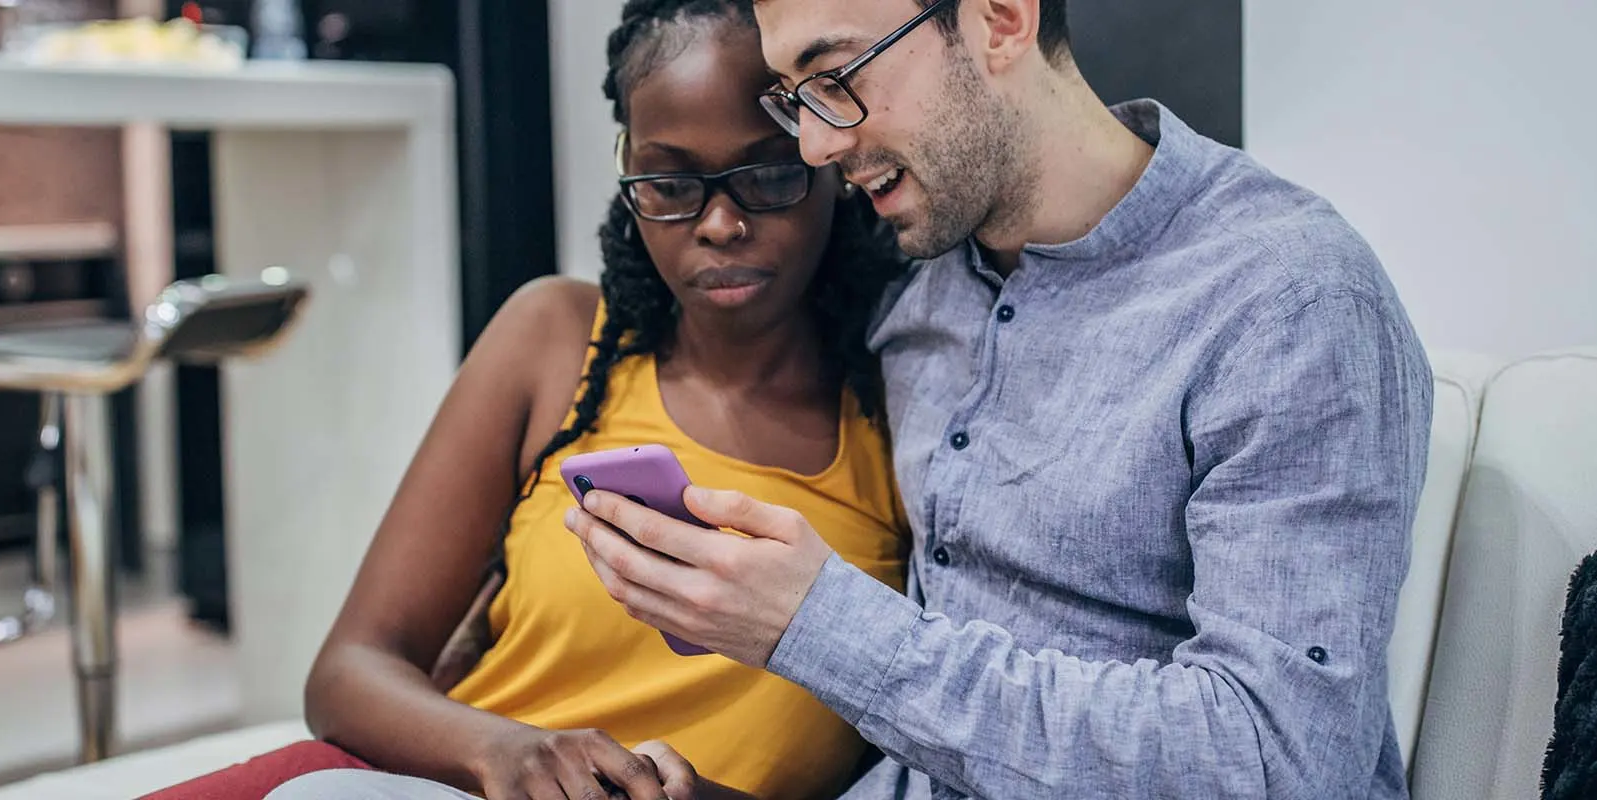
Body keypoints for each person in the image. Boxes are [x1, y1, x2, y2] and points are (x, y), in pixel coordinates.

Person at [564, 0, 1432, 797]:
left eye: (835, 77)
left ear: (1003, 19)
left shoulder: (1287, 299)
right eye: (798, 98)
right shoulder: (921, 284)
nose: (816, 147)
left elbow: (1278, 761)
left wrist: (820, 624)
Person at [261, 1, 911, 798]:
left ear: (826, 158)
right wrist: (504, 750)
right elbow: (349, 672)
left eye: (769, 175)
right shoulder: (556, 341)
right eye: (669, 184)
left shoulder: (904, 412)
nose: (719, 224)